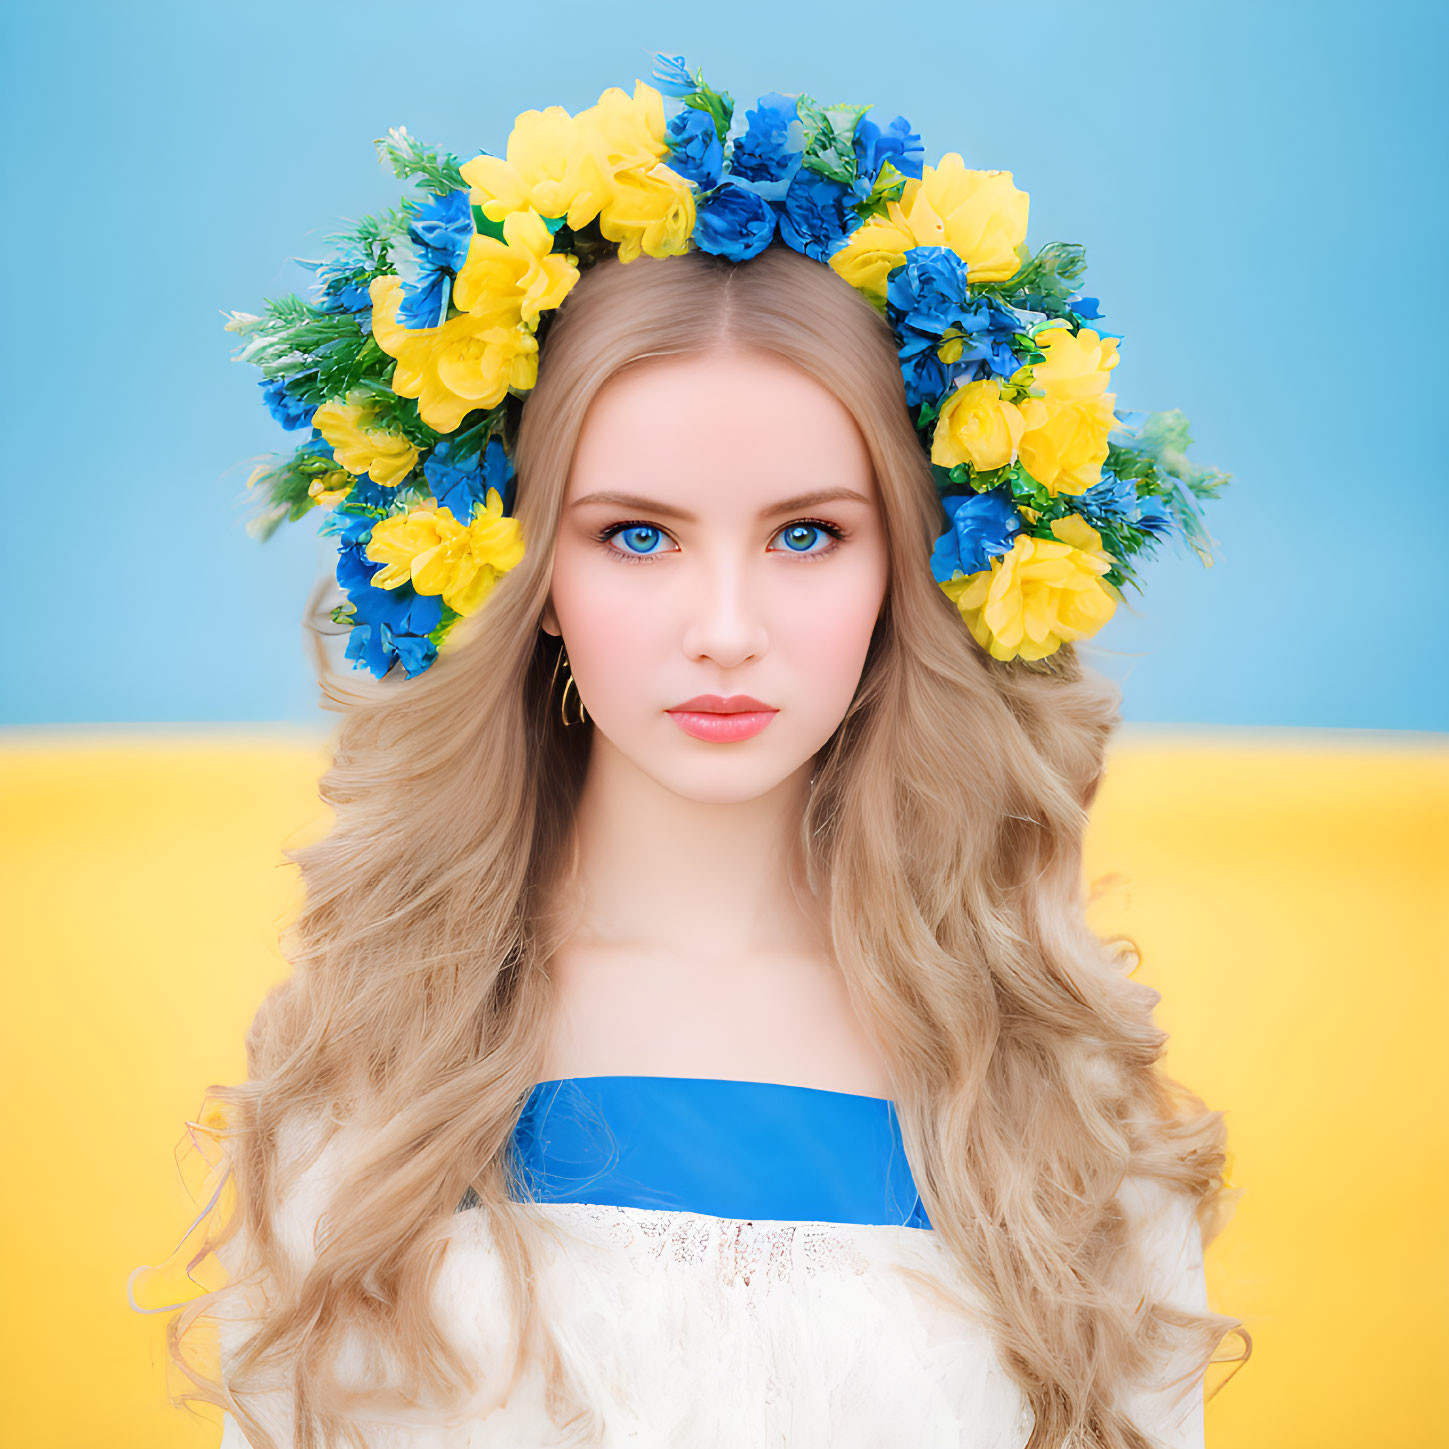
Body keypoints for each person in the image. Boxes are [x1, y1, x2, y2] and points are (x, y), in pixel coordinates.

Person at [137, 61, 1250, 1449]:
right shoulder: (383, 1069)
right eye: (636, 534)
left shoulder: (1043, 1093)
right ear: (530, 570)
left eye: (804, 534)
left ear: (908, 569)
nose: (723, 630)